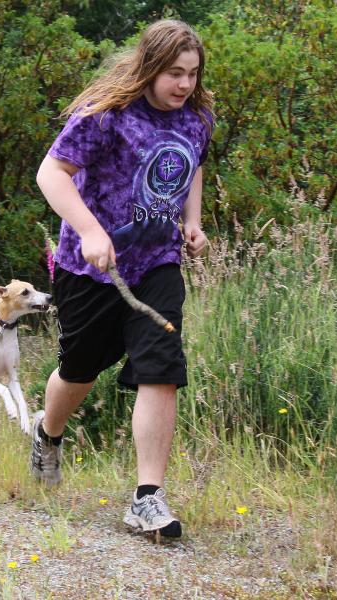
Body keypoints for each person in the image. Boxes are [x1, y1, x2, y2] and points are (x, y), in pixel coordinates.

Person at [30, 19, 214, 540]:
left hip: (156, 263)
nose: (185, 84)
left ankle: (147, 497)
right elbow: (51, 173)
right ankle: (48, 432)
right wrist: (90, 230)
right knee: (80, 370)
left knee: (161, 366)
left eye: (193, 74)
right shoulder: (106, 114)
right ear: (150, 67)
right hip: (90, 268)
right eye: (174, 73)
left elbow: (193, 165)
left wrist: (193, 222)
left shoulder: (197, 118)